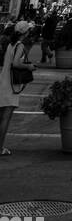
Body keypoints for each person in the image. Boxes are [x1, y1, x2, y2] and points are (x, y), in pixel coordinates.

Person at [0, 23, 34, 155]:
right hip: (10, 84)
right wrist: (28, 67)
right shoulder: (19, 45)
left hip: (3, 80)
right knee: (5, 118)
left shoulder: (10, 44)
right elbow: (16, 63)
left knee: (1, 116)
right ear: (25, 32)